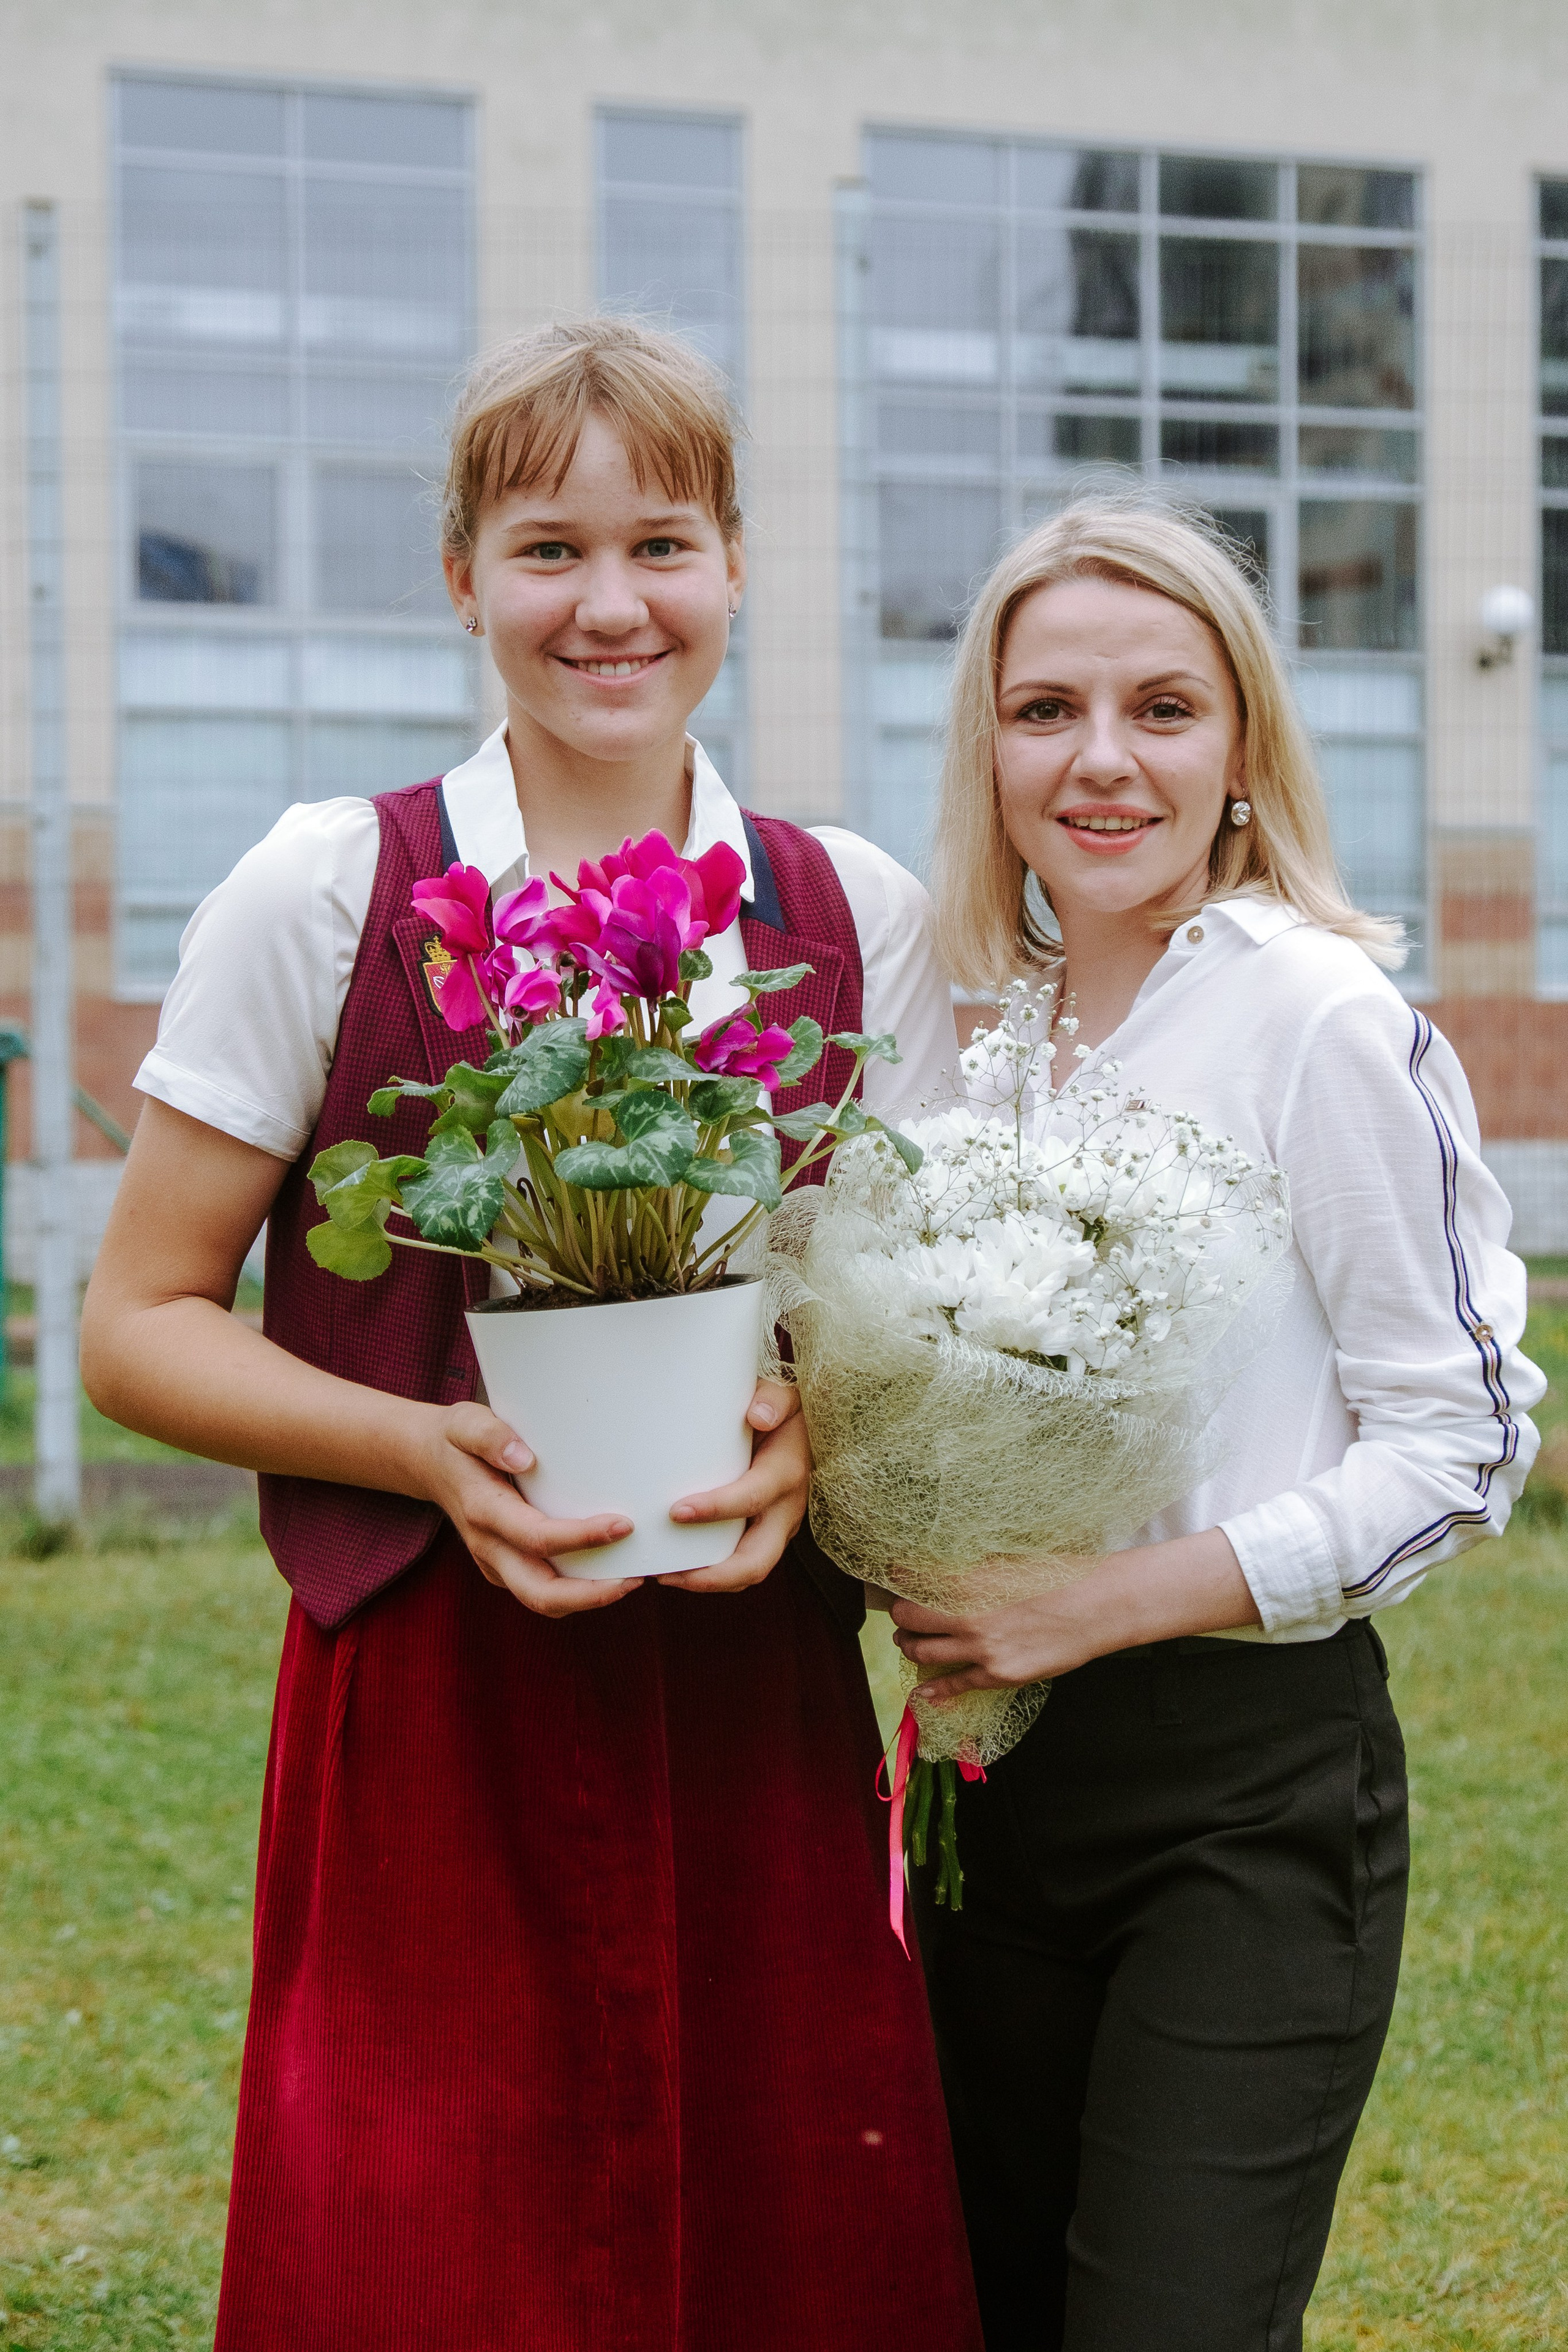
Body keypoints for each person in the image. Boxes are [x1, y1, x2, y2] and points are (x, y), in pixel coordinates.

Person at [81, 318, 981, 2352]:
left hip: (753, 1688)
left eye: (661, 543)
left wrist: (813, 1449)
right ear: (465, 578)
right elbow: (136, 1325)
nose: (609, 605)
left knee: (786, 2257)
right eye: (546, 548)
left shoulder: (850, 911)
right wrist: (423, 1447)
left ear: (736, 564)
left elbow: (904, 1319)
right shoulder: (336, 888)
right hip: (430, 1701)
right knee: (429, 2254)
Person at [892, 495, 1544, 2352]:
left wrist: (1098, 1605)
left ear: (1243, 745)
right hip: (986, 1790)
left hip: (1244, 1805)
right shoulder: (972, 1044)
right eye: (1046, 712)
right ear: (990, 748)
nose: (1101, 761)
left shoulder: (1322, 1019)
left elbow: (1464, 1445)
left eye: (1164, 709)